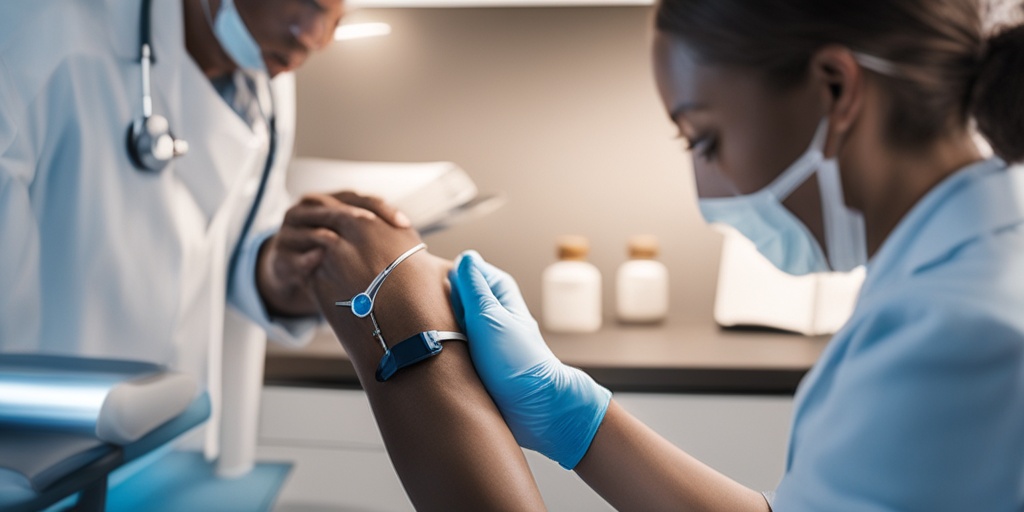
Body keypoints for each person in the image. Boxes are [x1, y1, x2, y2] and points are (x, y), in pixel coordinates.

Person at [302, 0, 1024, 509]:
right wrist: (573, 414)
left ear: (836, 88)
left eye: (703, 139)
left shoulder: (962, 336)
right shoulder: (949, 275)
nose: (704, 185)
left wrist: (398, 345)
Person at [0, 0, 350, 467]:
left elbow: (233, 238)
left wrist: (284, 269)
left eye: (338, 15)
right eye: (307, 1)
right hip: (42, 446)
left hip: (179, 433)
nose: (315, 36)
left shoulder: (266, 82)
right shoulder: (42, 25)